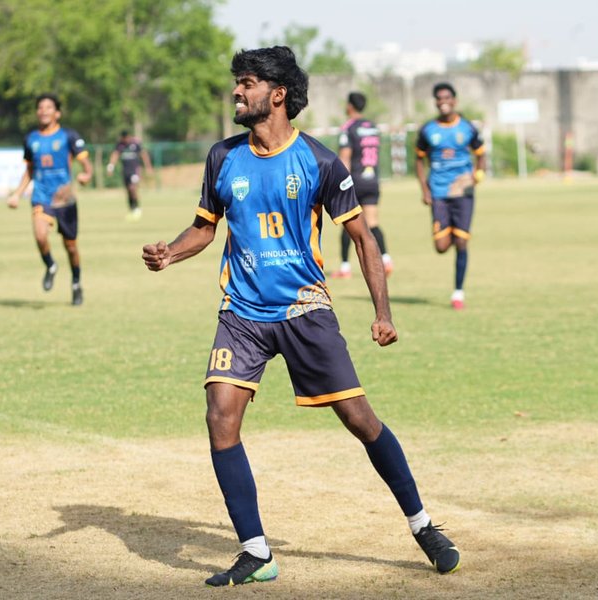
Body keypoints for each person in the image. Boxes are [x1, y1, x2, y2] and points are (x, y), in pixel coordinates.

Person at [142, 46, 460, 587]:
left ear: (278, 94)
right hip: (242, 311)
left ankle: (423, 524)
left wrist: (382, 313)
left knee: (360, 420)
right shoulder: (222, 157)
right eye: (238, 82)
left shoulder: (319, 161)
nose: (237, 92)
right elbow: (204, 227)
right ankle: (256, 552)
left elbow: (362, 238)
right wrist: (170, 253)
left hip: (304, 309)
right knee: (220, 416)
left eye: (247, 83)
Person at [8, 93, 92, 306]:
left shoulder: (68, 136)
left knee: (71, 247)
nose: (43, 111)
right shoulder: (31, 139)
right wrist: (17, 193)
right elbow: (30, 170)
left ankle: (76, 283)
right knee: (40, 235)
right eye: (40, 107)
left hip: (64, 198)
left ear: (57, 113)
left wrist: (86, 175)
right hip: (41, 196)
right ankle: (50, 265)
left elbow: (86, 164)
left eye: (48, 107)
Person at [415, 82, 486, 310]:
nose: (443, 102)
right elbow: (419, 159)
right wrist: (424, 189)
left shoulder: (467, 127)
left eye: (447, 98)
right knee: (442, 246)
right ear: (436, 102)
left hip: (463, 190)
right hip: (439, 192)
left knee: (462, 242)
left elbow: (481, 153)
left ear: (454, 100)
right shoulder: (428, 130)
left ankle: (458, 293)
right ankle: (454, 232)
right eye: (439, 98)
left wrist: (478, 174)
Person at [331, 92, 392, 279]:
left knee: (348, 223)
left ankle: (345, 267)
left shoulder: (348, 128)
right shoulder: (372, 127)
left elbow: (345, 159)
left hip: (355, 181)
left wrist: (339, 184)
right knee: (372, 223)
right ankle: (386, 259)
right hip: (372, 181)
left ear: (350, 106)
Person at [106, 130, 153, 220]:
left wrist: (148, 167)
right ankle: (132, 208)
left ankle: (137, 207)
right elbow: (115, 155)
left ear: (128, 136)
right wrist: (110, 167)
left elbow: (143, 155)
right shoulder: (120, 145)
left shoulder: (135, 144)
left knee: (133, 188)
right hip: (125, 171)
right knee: (128, 190)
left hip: (135, 171)